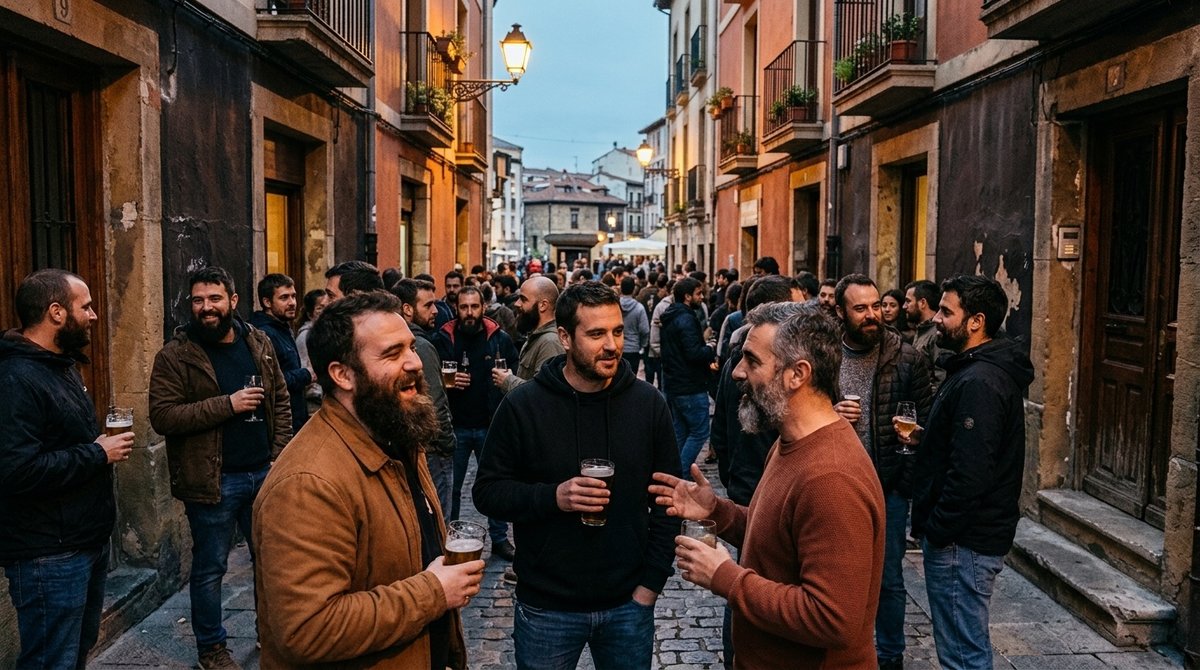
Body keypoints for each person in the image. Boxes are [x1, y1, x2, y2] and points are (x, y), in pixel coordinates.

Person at [650, 301, 885, 670]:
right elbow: (780, 539)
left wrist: (726, 577)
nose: (738, 373)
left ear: (797, 374)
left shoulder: (832, 477)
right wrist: (717, 511)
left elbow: (833, 619)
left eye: (752, 361)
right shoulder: (790, 442)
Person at [253, 291, 482, 668]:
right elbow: (306, 629)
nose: (414, 362)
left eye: (410, 346)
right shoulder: (307, 483)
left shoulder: (396, 434)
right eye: (392, 354)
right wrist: (433, 592)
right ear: (342, 374)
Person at [473, 282, 680, 669]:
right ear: (565, 337)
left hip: (627, 606)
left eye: (617, 331)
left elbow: (668, 501)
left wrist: (650, 585)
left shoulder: (647, 404)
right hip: (547, 606)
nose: (612, 345)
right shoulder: (524, 405)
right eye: (596, 333)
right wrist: (554, 497)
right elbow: (487, 492)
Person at [149, 266, 292, 670]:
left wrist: (279, 452)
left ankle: (272, 635)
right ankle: (212, 650)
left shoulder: (257, 341)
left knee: (271, 562)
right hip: (213, 481)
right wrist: (226, 405)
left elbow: (279, 398)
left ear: (232, 301)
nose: (206, 308)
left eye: (214, 299)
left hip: (263, 473)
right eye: (198, 300)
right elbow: (163, 415)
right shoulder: (175, 355)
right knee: (211, 569)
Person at [0, 269, 134, 669]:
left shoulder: (60, 365)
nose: (93, 315)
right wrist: (98, 454)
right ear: (56, 312)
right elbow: (16, 470)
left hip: (82, 542)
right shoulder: (15, 378)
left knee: (72, 654)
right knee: (49, 661)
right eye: (86, 306)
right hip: (48, 555)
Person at [899, 275, 1034, 670]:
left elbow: (971, 473)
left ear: (975, 322)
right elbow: (969, 447)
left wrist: (939, 530)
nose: (936, 318)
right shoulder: (973, 370)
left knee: (963, 656)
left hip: (963, 543)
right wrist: (929, 438)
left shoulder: (980, 380)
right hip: (966, 539)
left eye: (946, 311)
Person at [832, 274, 933, 670]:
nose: (872, 315)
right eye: (861, 308)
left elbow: (924, 422)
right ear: (841, 312)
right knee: (837, 572)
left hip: (887, 485)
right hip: (837, 483)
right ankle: (843, 650)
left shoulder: (908, 358)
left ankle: (889, 656)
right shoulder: (826, 355)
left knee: (889, 579)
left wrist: (904, 477)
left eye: (875, 306)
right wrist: (832, 414)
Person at [434, 286, 520, 562]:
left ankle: (498, 538)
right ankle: (453, 538)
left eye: (474, 307)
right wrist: (446, 384)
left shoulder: (500, 339)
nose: (469, 313)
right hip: (456, 424)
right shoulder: (443, 338)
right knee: (453, 488)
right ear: (456, 308)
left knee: (494, 484)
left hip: (490, 423)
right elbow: (430, 381)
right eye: (463, 307)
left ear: (483, 307)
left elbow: (515, 373)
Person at [392, 278, 459, 522]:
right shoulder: (420, 345)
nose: (436, 311)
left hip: (416, 444)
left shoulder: (402, 343)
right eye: (428, 305)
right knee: (439, 517)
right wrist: (446, 443)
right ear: (407, 309)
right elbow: (435, 403)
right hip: (431, 448)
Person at [660, 277, 716, 477]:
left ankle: (672, 473)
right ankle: (681, 474)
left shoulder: (670, 316)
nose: (701, 297)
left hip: (675, 383)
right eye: (698, 293)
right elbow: (693, 353)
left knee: (681, 432)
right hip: (689, 385)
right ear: (687, 296)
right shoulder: (686, 318)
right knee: (700, 432)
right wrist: (710, 348)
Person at [250, 273, 314, 433]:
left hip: (294, 420)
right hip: (280, 426)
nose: (292, 303)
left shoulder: (283, 328)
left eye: (293, 296)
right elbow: (268, 382)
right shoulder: (264, 334)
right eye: (284, 298)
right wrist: (306, 375)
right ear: (267, 302)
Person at [493, 276, 564, 395]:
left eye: (523, 299)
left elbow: (543, 394)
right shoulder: (537, 336)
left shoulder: (550, 342)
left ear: (543, 305)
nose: (516, 303)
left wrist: (508, 381)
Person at [904, 279, 946, 390]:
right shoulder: (921, 331)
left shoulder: (937, 334)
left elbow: (941, 380)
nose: (904, 306)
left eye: (908, 301)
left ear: (922, 303)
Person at [295, 288, 329, 416]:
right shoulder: (306, 336)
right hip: (313, 402)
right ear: (310, 314)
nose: (325, 312)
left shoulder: (324, 333)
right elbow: (305, 368)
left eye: (328, 307)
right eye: (320, 308)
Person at [618, 276, 650, 377]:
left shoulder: (615, 306)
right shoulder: (639, 308)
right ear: (633, 289)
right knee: (630, 380)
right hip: (633, 348)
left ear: (621, 288)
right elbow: (645, 330)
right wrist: (642, 345)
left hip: (617, 347)